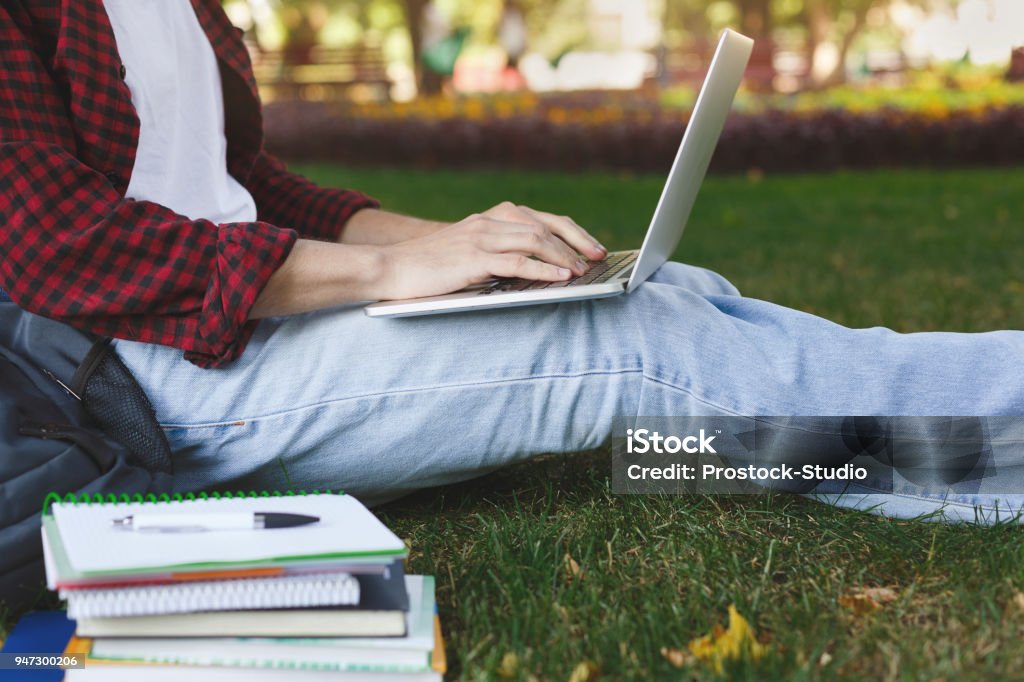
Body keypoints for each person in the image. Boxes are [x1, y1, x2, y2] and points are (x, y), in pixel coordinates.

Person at [2, 1, 1023, 524]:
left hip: (236, 325)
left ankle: (951, 461)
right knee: (631, 346)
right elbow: (54, 241)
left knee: (671, 294)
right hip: (130, 379)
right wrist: (387, 277)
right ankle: (985, 437)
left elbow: (235, 186)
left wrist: (459, 244)